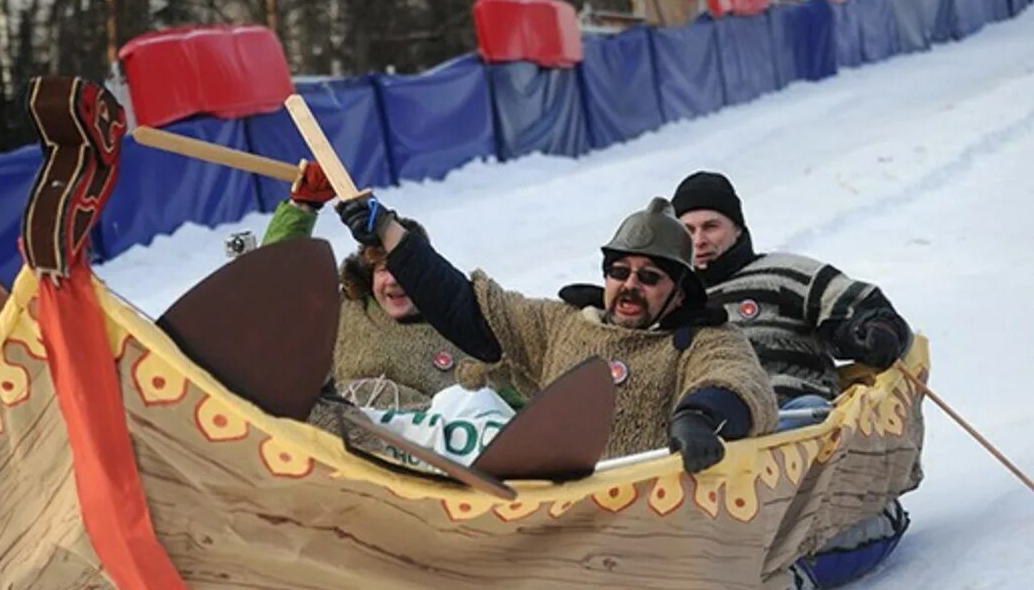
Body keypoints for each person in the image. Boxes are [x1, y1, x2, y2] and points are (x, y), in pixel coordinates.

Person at [334, 195, 778, 472]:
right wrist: (391, 234)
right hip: (553, 510)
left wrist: (699, 419)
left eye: (649, 278)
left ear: (679, 293)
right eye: (619, 272)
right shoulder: (562, 325)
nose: (630, 286)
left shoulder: (703, 340)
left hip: (649, 513)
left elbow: (736, 379)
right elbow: (469, 306)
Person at [262, 164, 518, 408]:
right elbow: (272, 285)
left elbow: (518, 402)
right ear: (368, 276)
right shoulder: (343, 313)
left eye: (404, 271)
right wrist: (303, 208)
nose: (394, 280)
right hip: (341, 437)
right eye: (384, 270)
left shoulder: (470, 331)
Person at [669, 171, 912, 428]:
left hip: (790, 409)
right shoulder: (668, 297)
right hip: (711, 424)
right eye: (688, 231)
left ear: (737, 229)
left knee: (807, 414)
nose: (699, 240)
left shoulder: (784, 273)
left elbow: (859, 305)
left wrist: (870, 330)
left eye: (711, 227)